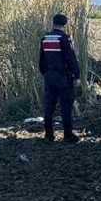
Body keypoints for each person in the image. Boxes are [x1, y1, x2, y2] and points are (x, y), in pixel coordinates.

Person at [39, 13, 80, 143]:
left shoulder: (45, 38)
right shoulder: (64, 38)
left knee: (49, 106)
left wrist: (45, 73)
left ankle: (48, 135)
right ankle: (68, 135)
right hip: (63, 77)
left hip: (49, 77)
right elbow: (71, 58)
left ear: (53, 23)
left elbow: (41, 60)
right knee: (66, 106)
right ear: (64, 24)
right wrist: (76, 75)